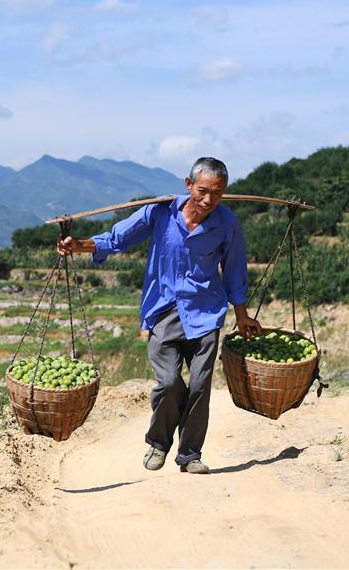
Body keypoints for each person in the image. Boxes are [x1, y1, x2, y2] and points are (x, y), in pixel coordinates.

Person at [57, 156, 262, 474]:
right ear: (188, 185)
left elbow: (234, 268)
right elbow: (117, 239)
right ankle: (159, 442)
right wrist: (79, 245)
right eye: (203, 190)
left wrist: (242, 314)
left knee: (200, 386)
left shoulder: (226, 222)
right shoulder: (160, 213)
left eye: (217, 193)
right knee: (168, 384)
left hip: (205, 312)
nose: (208, 200)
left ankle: (190, 455)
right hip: (163, 310)